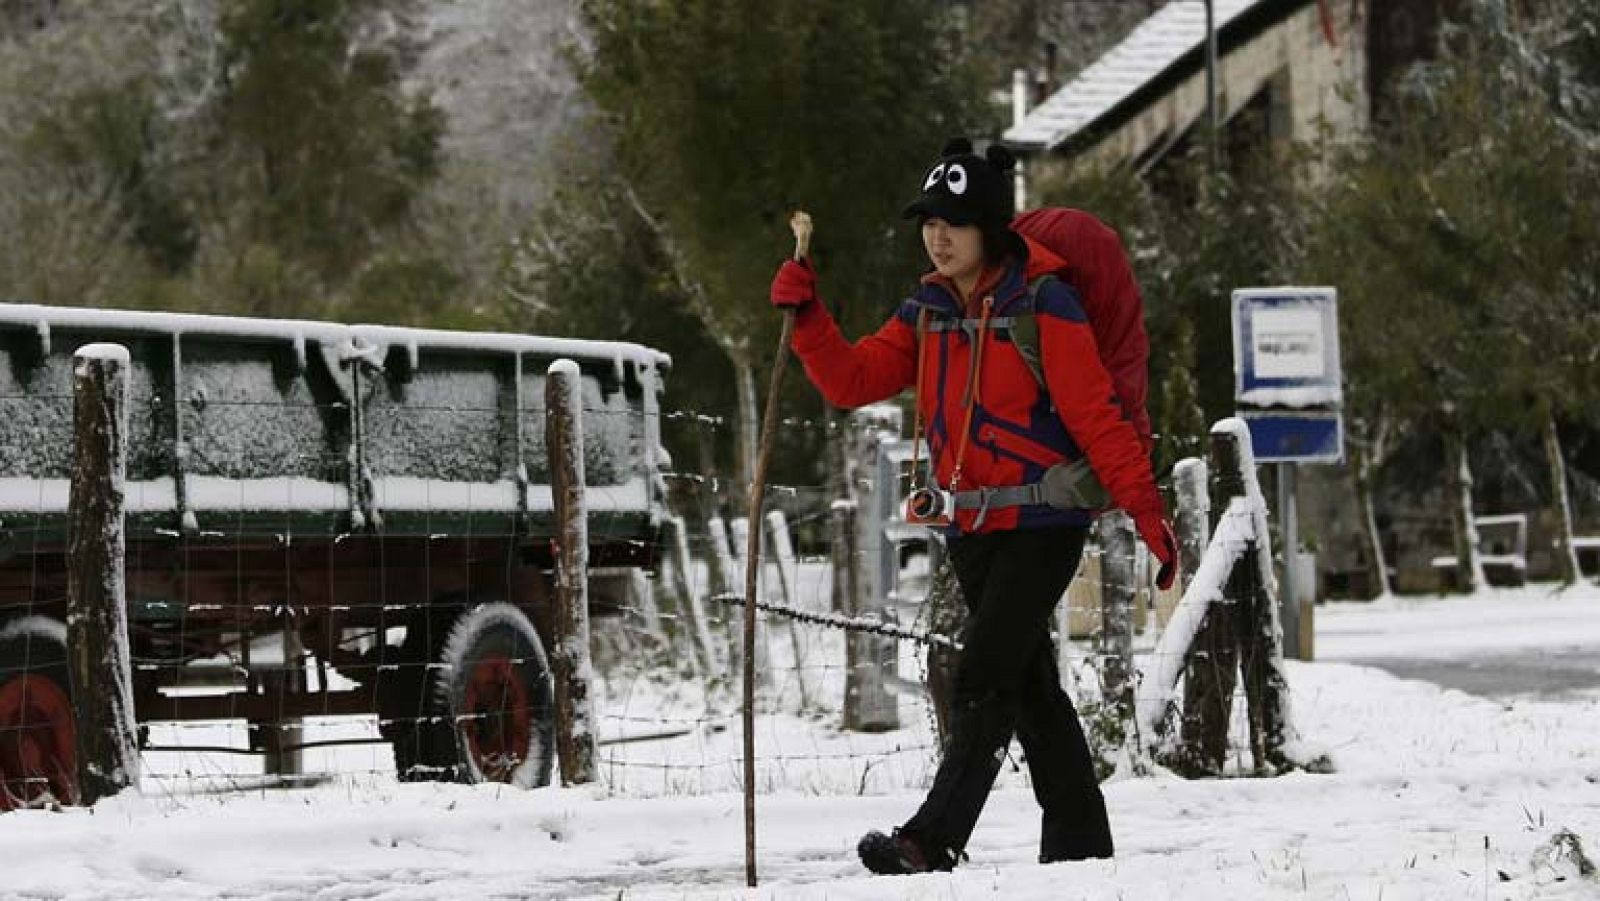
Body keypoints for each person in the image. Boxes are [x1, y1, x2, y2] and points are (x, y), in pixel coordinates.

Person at [768, 137, 1177, 874]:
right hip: (970, 524)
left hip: (1045, 521)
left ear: (990, 228)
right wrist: (809, 319)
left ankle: (932, 838)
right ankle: (1082, 846)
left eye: (954, 221)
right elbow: (852, 379)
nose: (938, 235)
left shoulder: (1044, 303)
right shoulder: (926, 312)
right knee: (1030, 687)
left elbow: (1096, 416)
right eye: (929, 221)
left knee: (983, 675)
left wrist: (1147, 514)